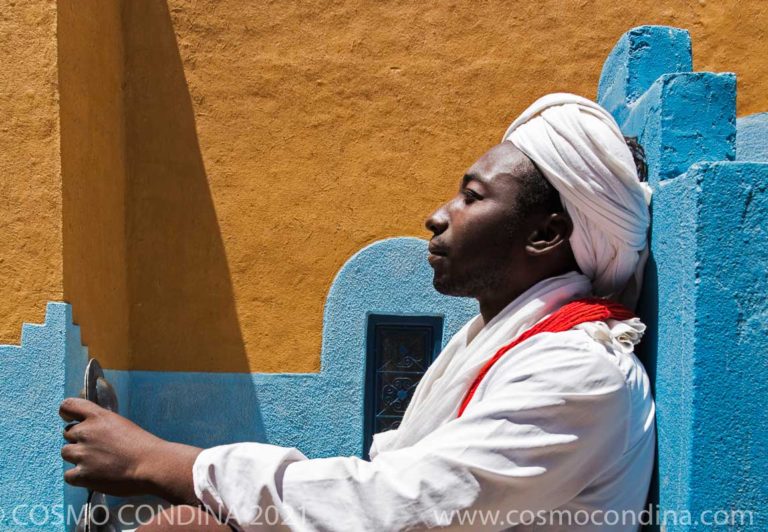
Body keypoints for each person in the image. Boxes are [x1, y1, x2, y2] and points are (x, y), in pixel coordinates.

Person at [59, 93, 656, 531]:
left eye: (472, 197)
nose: (439, 215)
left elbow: (403, 506)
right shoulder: (507, 344)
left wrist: (163, 462)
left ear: (546, 235)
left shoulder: (581, 373)